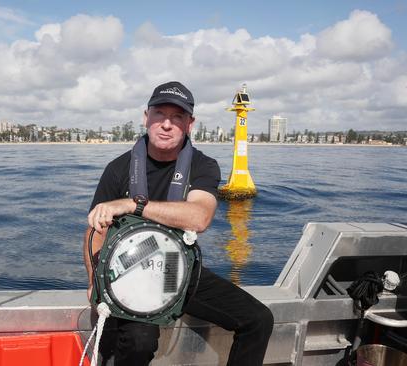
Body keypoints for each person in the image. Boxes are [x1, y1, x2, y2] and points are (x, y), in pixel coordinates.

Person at [83, 81, 273, 366]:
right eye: (159, 114)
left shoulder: (202, 165)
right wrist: (93, 281)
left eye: (178, 117)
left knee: (258, 320)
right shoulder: (118, 169)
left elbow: (200, 217)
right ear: (146, 116)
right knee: (139, 341)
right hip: (131, 275)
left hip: (179, 271)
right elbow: (94, 232)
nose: (166, 124)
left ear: (190, 124)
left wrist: (133, 204)